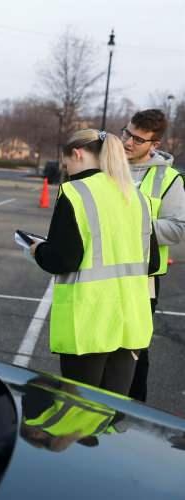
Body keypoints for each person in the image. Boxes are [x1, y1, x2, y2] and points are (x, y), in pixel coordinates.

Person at [30, 129, 159, 396]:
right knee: (111, 411)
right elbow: (153, 261)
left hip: (90, 323)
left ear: (77, 153)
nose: (67, 170)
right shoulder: (138, 197)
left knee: (81, 414)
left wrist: (37, 249)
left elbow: (63, 259)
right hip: (131, 321)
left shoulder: (75, 192)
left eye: (67, 163)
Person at [121, 109, 185, 402]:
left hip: (142, 281)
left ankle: (131, 419)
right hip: (99, 275)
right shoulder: (108, 166)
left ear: (154, 145)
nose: (128, 142)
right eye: (126, 133)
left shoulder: (169, 179)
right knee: (98, 351)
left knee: (134, 352)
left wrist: (133, 227)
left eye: (138, 139)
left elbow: (178, 228)